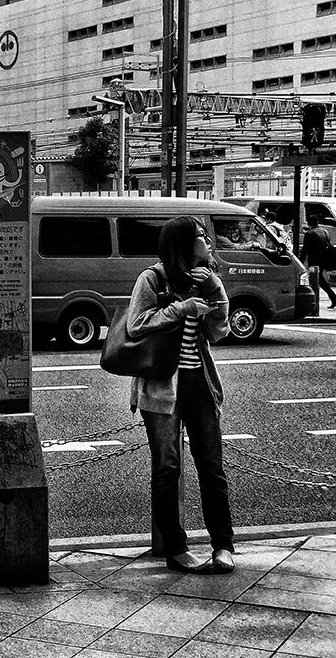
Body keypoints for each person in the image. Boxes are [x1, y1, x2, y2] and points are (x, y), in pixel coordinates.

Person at [126, 216, 234, 575]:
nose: (207, 241)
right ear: (183, 244)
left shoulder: (206, 281)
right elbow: (135, 324)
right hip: (161, 388)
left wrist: (215, 290)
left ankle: (223, 545)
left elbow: (219, 332)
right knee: (167, 467)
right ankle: (176, 547)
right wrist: (181, 308)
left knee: (212, 468)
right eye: (201, 236)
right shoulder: (152, 279)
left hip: (200, 385)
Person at [301, 214, 336, 309]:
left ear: (308, 223)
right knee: (319, 281)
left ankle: (314, 304)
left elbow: (305, 250)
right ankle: (332, 298)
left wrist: (300, 262)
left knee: (316, 281)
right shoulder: (325, 231)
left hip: (315, 262)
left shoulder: (309, 233)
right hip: (326, 259)